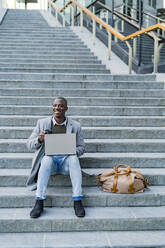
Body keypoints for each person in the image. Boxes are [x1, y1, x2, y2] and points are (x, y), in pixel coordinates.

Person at [26, 97, 85, 218]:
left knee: (74, 159)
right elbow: (29, 144)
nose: (57, 108)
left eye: (61, 106)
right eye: (55, 105)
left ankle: (77, 200)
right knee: (46, 160)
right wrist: (39, 139)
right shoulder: (42, 123)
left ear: (66, 108)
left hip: (66, 162)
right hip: (50, 162)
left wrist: (71, 150)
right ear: (52, 107)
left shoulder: (76, 126)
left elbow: (82, 147)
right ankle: (39, 201)